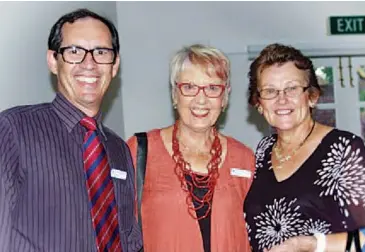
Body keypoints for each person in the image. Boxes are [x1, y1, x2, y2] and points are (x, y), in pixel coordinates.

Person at [0, 9, 142, 252]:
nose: (89, 64)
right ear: (53, 61)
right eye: (74, 51)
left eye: (101, 52)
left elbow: (129, 238)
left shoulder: (119, 149)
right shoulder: (12, 129)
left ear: (115, 65)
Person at [126, 44, 255, 252]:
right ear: (175, 94)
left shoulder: (244, 159)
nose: (201, 99)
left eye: (213, 88)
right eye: (189, 87)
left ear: (225, 97)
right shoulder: (140, 150)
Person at [243, 43, 365, 252]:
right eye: (270, 91)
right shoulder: (263, 151)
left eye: (292, 88)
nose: (282, 99)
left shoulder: (344, 149)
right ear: (259, 104)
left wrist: (310, 244)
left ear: (312, 96)